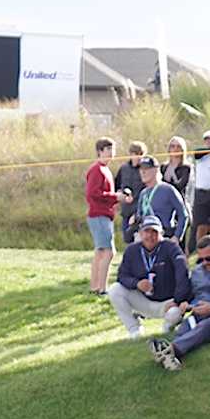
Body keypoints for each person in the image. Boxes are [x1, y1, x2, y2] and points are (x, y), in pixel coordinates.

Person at [149, 235, 210, 369]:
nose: (204, 263)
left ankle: (171, 350)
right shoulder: (197, 272)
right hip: (198, 313)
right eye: (201, 259)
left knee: (205, 327)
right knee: (185, 328)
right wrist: (184, 302)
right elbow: (190, 293)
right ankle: (169, 356)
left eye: (208, 258)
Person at [111, 215, 191, 340]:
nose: (150, 236)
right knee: (115, 290)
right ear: (140, 233)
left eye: (154, 232)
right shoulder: (132, 250)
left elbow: (183, 274)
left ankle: (167, 328)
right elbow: (122, 276)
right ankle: (134, 329)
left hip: (167, 303)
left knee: (175, 313)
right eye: (146, 231)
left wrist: (177, 300)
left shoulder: (171, 248)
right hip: (143, 300)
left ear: (161, 233)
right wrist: (136, 283)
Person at [85, 137, 118, 294]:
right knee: (108, 252)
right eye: (108, 149)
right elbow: (92, 193)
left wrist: (118, 198)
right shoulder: (96, 169)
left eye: (113, 149)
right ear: (100, 151)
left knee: (100, 252)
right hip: (98, 215)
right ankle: (102, 288)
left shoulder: (106, 170)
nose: (111, 152)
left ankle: (95, 287)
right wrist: (115, 197)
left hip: (105, 214)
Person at [132, 156, 188, 247]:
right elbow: (140, 215)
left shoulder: (168, 189)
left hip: (164, 235)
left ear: (156, 170)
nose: (143, 172)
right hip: (146, 237)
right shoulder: (143, 193)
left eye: (146, 169)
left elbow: (183, 214)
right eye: (141, 169)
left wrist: (177, 237)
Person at [161, 136, 193, 200]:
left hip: (178, 200)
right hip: (163, 200)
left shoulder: (186, 168)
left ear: (182, 149)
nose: (175, 149)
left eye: (178, 146)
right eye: (173, 146)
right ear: (169, 149)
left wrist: (172, 175)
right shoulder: (163, 167)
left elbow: (180, 187)